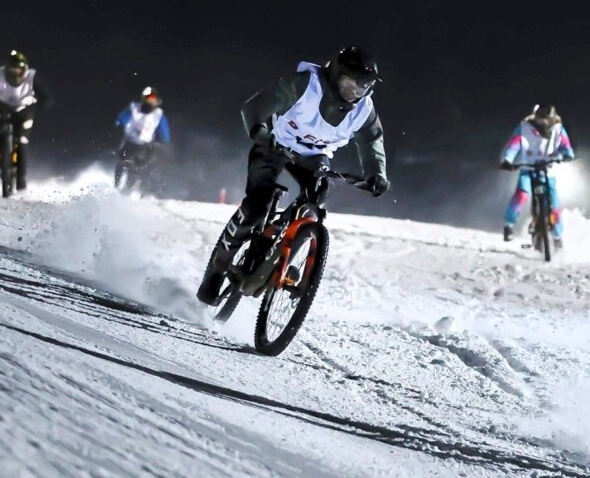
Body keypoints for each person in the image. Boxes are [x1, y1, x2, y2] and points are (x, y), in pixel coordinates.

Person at [196, 46, 390, 304]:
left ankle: (286, 254)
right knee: (256, 206)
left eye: (362, 87)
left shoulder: (363, 109)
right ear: (335, 74)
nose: (355, 92)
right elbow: (254, 107)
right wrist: (260, 132)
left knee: (317, 198)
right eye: (350, 83)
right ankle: (218, 268)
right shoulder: (305, 85)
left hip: (313, 158)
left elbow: (372, 140)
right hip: (275, 145)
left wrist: (377, 173)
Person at [499, 103, 575, 248]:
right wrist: (507, 160)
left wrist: (568, 155)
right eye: (541, 120)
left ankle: (557, 236)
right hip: (528, 167)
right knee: (521, 195)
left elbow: (566, 146)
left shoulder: (558, 130)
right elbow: (514, 145)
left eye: (546, 120)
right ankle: (509, 225)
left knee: (553, 204)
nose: (543, 123)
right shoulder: (525, 128)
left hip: (549, 169)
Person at [0, 50, 52, 190]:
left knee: (22, 141)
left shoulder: (32, 77)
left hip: (24, 110)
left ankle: (21, 179)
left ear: (25, 69)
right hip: (3, 108)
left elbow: (45, 97)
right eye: (12, 69)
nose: (16, 72)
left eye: (19, 69)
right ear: (6, 69)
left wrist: (41, 103)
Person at [113, 86, 171, 188]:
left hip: (144, 146)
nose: (150, 101)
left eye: (152, 98)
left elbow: (164, 134)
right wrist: (118, 127)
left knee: (137, 167)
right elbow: (121, 120)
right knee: (123, 161)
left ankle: (129, 189)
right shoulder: (134, 108)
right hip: (130, 142)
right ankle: (116, 185)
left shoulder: (158, 115)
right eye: (147, 98)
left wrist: (162, 143)